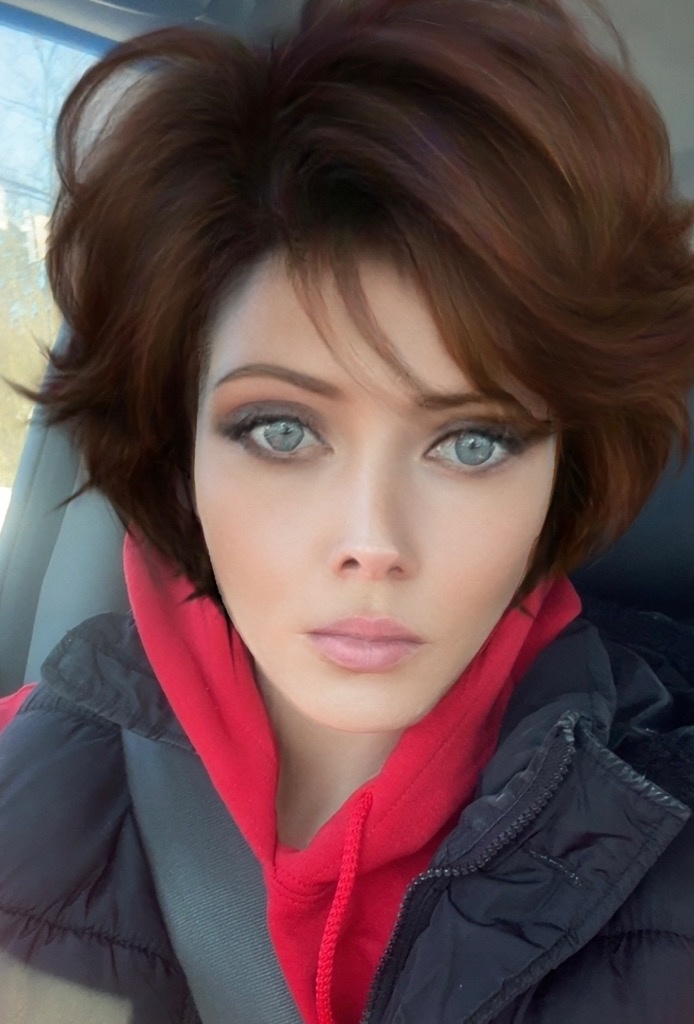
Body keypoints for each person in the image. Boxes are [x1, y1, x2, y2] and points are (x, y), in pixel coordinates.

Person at [1, 0, 694, 1021]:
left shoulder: (668, 843)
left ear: (564, 472)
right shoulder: (23, 779)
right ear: (179, 451)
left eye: (473, 441)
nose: (374, 542)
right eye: (281, 430)